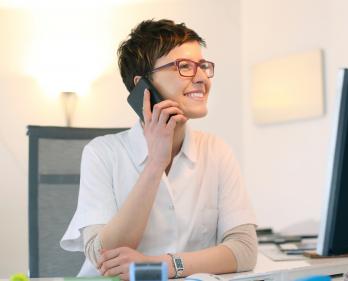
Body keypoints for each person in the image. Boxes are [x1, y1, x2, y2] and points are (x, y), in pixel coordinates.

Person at [60, 19, 257, 279]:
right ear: (143, 85)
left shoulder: (217, 151)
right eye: (184, 67)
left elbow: (244, 250)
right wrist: (155, 163)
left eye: (203, 66)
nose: (201, 78)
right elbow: (102, 257)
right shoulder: (102, 153)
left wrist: (161, 266)